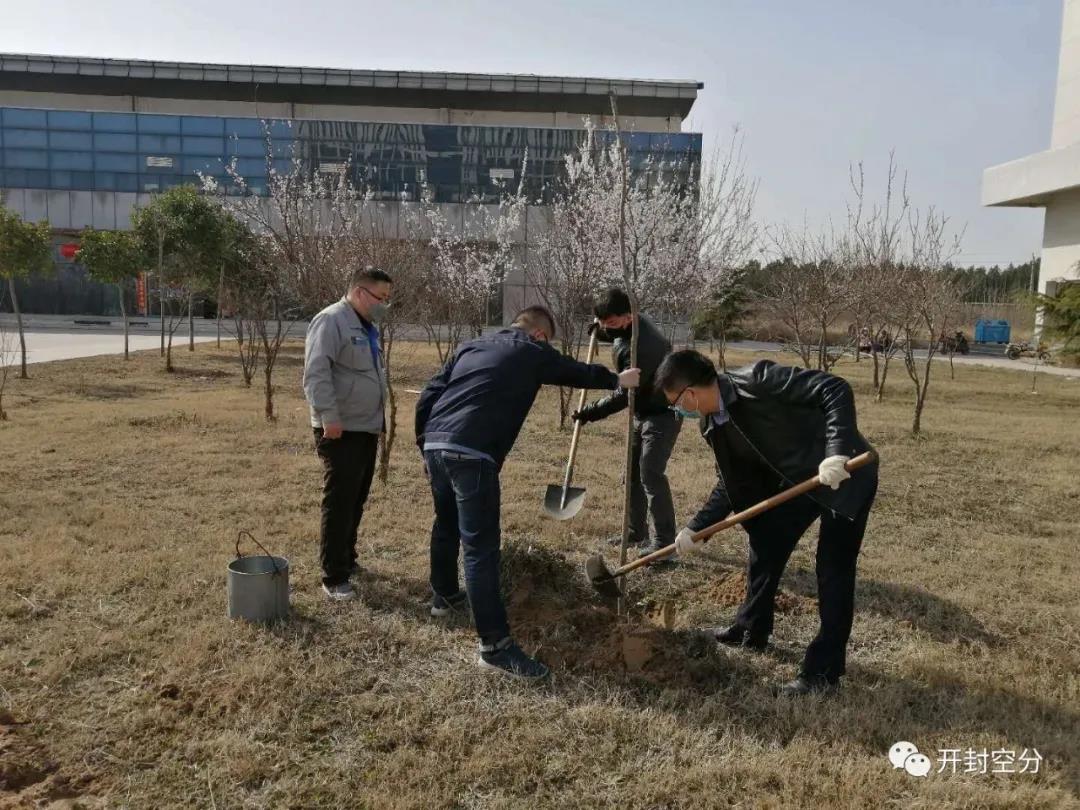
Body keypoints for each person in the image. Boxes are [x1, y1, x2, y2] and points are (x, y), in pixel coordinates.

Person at [415, 306, 641, 680]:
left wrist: (425, 443)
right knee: (480, 549)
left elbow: (430, 393)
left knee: (446, 523)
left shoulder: (471, 346)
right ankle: (495, 647)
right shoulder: (531, 349)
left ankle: (444, 596)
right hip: (472, 452)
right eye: (547, 342)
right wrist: (619, 379)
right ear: (539, 335)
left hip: (437, 443)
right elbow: (575, 371)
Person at [654, 349, 879, 696]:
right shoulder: (711, 424)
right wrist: (696, 528)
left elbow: (834, 388)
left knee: (833, 569)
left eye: (676, 403)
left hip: (844, 472)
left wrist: (835, 452)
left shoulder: (757, 380)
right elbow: (730, 483)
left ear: (691, 393)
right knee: (766, 543)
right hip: (797, 483)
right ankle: (751, 629)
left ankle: (823, 673)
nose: (678, 411)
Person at [302, 266, 392, 601]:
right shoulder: (331, 321)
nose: (384, 304)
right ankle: (334, 575)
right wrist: (329, 416)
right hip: (340, 428)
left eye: (387, 298)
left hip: (365, 426)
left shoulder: (367, 326)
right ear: (358, 292)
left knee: (356, 498)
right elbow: (316, 373)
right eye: (380, 297)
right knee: (340, 501)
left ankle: (347, 558)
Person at [572, 288, 681, 557]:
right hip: (643, 410)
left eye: (610, 322)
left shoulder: (643, 348)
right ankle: (635, 531)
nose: (606, 327)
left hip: (663, 413)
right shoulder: (627, 326)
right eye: (602, 322)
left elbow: (624, 394)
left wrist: (589, 412)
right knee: (632, 474)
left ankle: (664, 544)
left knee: (650, 474)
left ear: (629, 316)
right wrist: (601, 330)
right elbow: (617, 333)